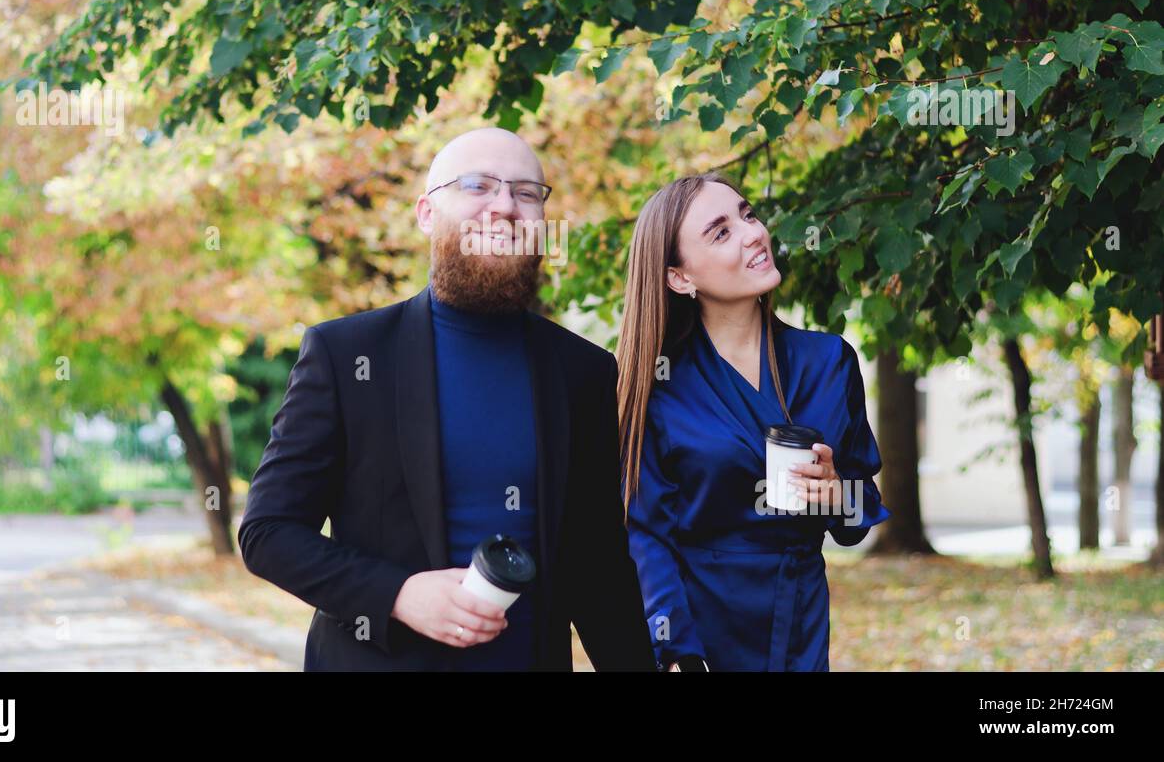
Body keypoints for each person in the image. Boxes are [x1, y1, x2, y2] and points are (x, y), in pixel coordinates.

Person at [239, 127, 655, 671]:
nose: (505, 206)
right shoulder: (345, 355)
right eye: (478, 186)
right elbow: (267, 533)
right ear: (427, 213)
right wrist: (399, 594)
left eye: (527, 193)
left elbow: (596, 563)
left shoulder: (584, 371)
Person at [615, 172, 891, 671]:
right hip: (701, 632)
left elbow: (859, 517)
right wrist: (675, 651)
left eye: (748, 215)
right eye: (720, 232)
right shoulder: (658, 385)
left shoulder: (829, 361)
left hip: (800, 620)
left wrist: (837, 495)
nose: (753, 234)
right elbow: (645, 537)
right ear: (679, 277)